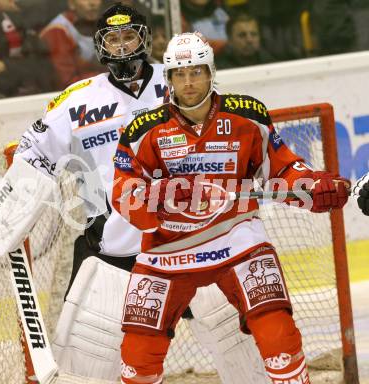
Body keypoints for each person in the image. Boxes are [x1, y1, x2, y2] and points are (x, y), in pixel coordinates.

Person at [13, 4, 268, 383]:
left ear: (145, 39)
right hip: (112, 245)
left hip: (194, 238)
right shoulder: (76, 100)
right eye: (112, 39)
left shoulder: (182, 81)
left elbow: (228, 136)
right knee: (87, 363)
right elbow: (31, 154)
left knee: (235, 336)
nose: (121, 46)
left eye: (129, 36)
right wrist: (11, 213)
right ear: (99, 46)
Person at [112, 31, 350, 384]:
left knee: (278, 334)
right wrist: (155, 198)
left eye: (196, 72)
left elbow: (281, 169)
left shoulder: (247, 116)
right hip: (168, 249)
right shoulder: (142, 130)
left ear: (211, 73)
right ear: (169, 79)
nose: (189, 82)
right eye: (180, 74)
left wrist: (312, 187)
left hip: (237, 238)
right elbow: (122, 189)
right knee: (138, 354)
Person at [40, 0, 104, 88]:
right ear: (71, 4)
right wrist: (107, 76)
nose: (92, 3)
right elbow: (68, 82)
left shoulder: (101, 23)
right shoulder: (58, 31)